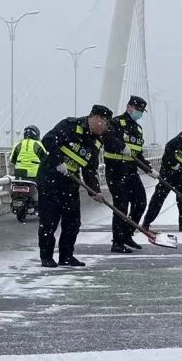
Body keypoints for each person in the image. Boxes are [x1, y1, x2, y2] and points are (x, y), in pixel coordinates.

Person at [38, 105, 117, 267]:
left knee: (72, 222)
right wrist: (59, 161)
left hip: (70, 182)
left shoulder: (96, 141)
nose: (106, 128)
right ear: (96, 118)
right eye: (106, 123)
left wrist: (95, 191)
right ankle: (46, 257)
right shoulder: (69, 125)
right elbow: (47, 140)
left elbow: (90, 169)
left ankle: (66, 256)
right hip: (50, 178)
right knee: (49, 221)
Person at [103, 95, 148, 254]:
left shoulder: (138, 129)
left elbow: (138, 155)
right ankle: (117, 242)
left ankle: (127, 235)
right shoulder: (116, 122)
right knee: (121, 205)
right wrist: (121, 146)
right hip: (116, 170)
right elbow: (107, 139)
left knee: (141, 202)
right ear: (129, 107)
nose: (140, 113)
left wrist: (150, 169)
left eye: (142, 111)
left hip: (131, 171)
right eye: (138, 110)